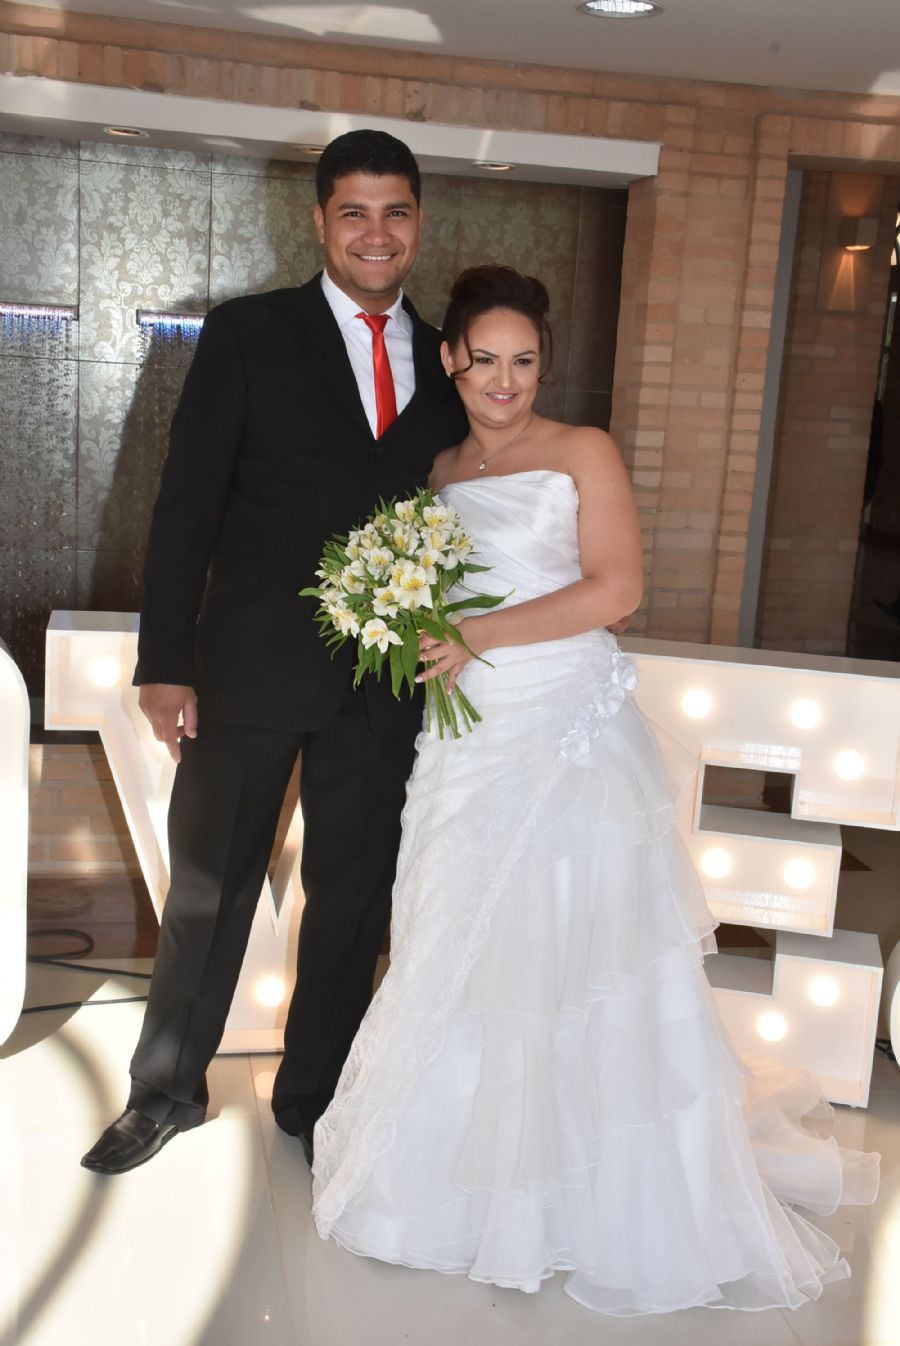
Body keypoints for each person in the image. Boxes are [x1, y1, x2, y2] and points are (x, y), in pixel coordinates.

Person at [311, 266, 880, 1314]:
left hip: (563, 725)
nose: (505, 381)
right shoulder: (436, 470)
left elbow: (618, 587)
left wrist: (474, 632)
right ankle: (458, 1187)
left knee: (576, 945)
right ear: (452, 358)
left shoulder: (583, 450)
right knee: (460, 936)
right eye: (486, 359)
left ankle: (598, 1192)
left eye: (525, 361)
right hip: (467, 732)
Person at [80, 129, 470, 1175]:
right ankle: (165, 1089)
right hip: (247, 669)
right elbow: (186, 504)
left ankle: (315, 1100)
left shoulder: (449, 361)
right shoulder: (249, 332)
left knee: (352, 900)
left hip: (382, 685)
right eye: (355, 212)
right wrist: (166, 659)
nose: (376, 233)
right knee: (208, 890)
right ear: (320, 222)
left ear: (418, 222)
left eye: (395, 212)